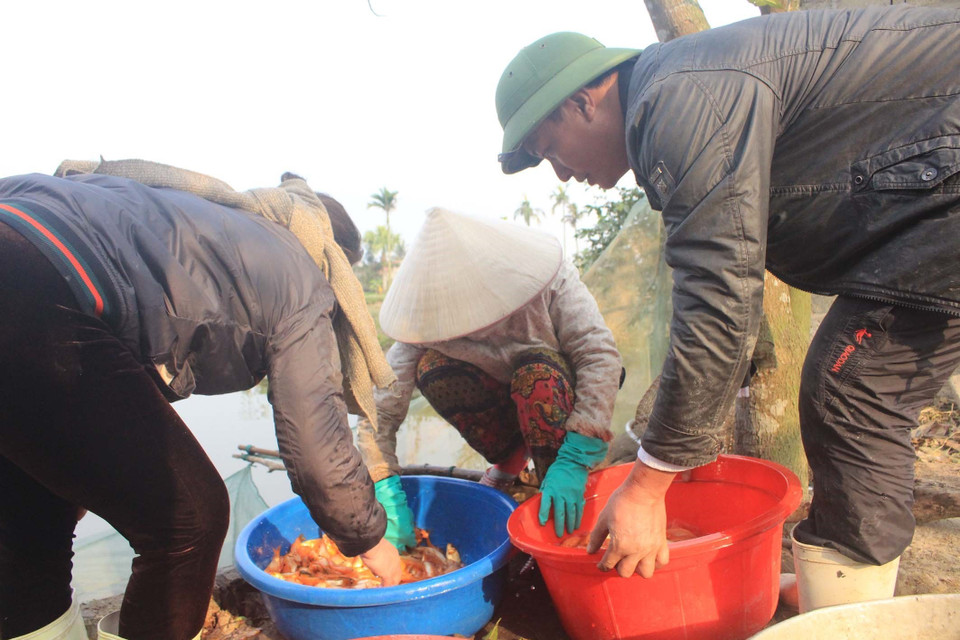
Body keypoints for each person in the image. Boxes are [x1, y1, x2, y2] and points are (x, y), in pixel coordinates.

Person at [494, 4, 960, 606]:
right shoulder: (684, 88)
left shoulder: (678, 100)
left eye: (548, 147)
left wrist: (644, 488)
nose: (559, 175)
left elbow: (720, 297)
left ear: (583, 101)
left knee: (854, 386)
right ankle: (839, 588)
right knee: (853, 382)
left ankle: (849, 612)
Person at [0, 163, 402, 640]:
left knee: (34, 525)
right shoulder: (300, 273)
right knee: (188, 519)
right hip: (31, 283)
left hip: (22, 253)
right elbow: (317, 439)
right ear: (334, 260)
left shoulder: (214, 222)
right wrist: (367, 538)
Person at [356, 208, 623, 545]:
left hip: (556, 396)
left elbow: (598, 352)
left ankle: (558, 476)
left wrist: (578, 451)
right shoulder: (428, 319)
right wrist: (383, 486)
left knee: (535, 374)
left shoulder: (547, 281)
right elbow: (381, 404)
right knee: (432, 369)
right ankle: (511, 461)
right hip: (504, 402)